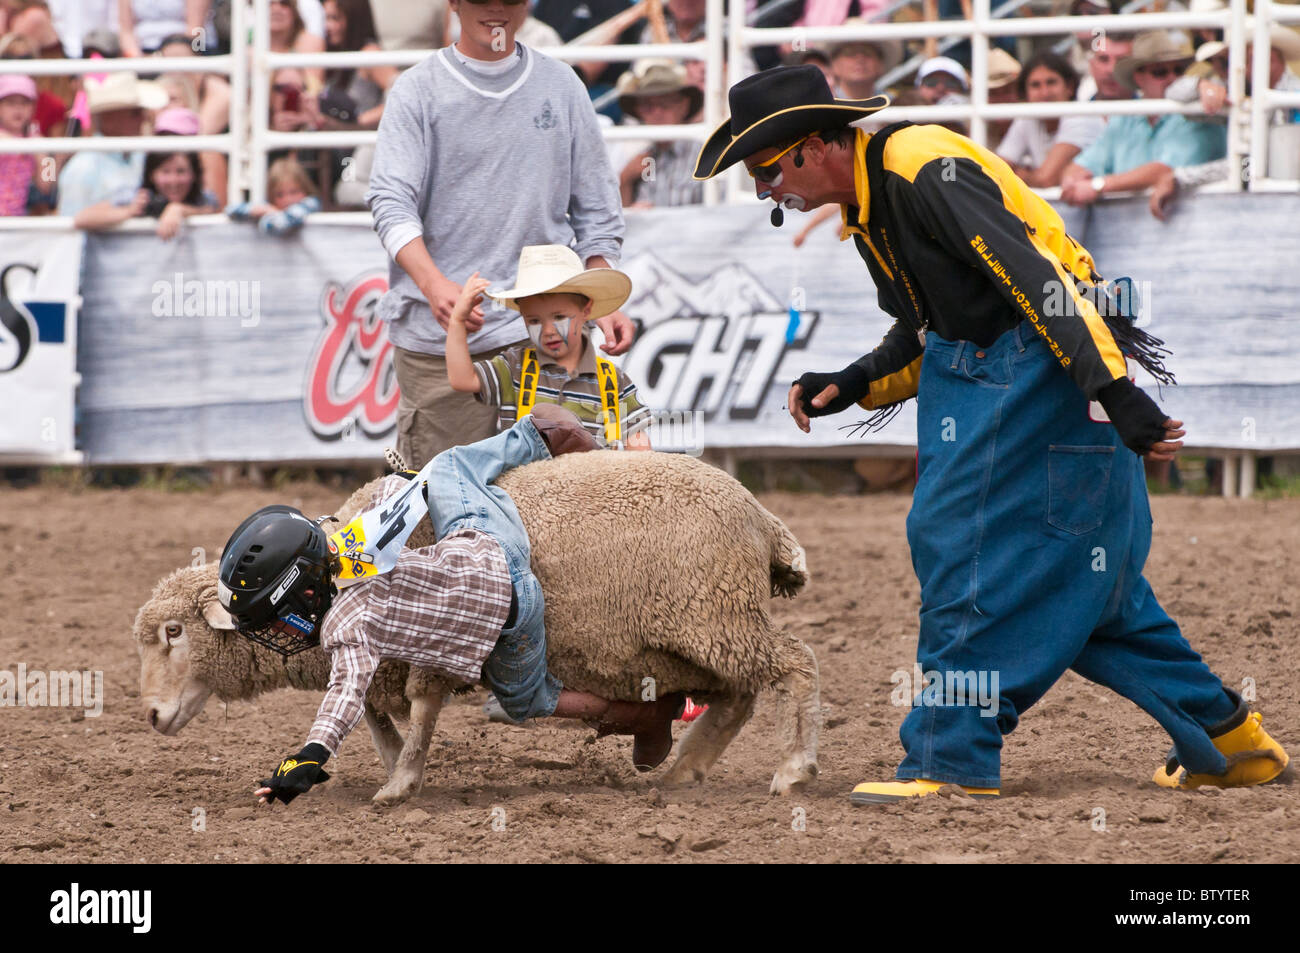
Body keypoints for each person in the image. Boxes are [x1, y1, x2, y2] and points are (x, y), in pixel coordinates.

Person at [692, 65, 1290, 803]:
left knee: (957, 544)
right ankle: (1230, 742)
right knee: (1094, 591)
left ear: (813, 147)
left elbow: (1035, 279)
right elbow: (936, 324)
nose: (763, 191)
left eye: (763, 169)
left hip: (1042, 373)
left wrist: (1115, 390)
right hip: (1037, 372)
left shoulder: (922, 170)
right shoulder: (879, 199)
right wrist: (854, 381)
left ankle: (951, 753)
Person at [221, 408, 686, 806]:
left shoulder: (347, 623)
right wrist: (402, 481)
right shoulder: (348, 543)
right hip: (494, 545)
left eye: (277, 622)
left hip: (511, 617)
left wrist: (312, 756)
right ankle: (536, 438)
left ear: (303, 595)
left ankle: (644, 715)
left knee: (528, 700)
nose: (278, 633)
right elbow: (390, 500)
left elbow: (345, 694)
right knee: (447, 467)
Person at [366, 0, 633, 471]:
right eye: (481, 0)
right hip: (444, 342)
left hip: (545, 333)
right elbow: (390, 201)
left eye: (508, 0)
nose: (497, 11)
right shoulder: (417, 91)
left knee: (565, 510)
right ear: (455, 3)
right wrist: (433, 285)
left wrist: (602, 286)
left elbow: (597, 207)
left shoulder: (562, 84)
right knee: (439, 507)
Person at [447, 245, 652, 449]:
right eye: (534, 320)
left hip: (594, 479)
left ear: (586, 310)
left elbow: (638, 444)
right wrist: (456, 321)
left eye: (559, 317)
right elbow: (462, 379)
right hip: (528, 480)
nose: (548, 331)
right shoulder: (514, 368)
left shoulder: (613, 380)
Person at [1061, 32, 1226, 206]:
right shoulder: (1125, 117)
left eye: (1178, 70)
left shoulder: (1198, 113)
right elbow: (1085, 163)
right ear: (1138, 77)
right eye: (1160, 72)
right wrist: (1072, 179)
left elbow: (1163, 170)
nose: (1172, 78)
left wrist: (1097, 185)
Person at [73, 113, 218, 238]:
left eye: (181, 171)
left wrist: (179, 210)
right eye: (165, 172)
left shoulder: (202, 198)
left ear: (194, 174)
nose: (173, 181)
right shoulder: (138, 197)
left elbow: (212, 208)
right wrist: (129, 212)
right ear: (151, 175)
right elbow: (82, 218)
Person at [56, 71, 168, 216]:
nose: (143, 119)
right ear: (109, 118)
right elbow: (72, 225)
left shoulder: (139, 156)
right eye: (135, 113)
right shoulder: (83, 167)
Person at [997, 51, 1105, 188]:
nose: (1044, 93)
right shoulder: (1027, 118)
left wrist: (1017, 172)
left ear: (1070, 87)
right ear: (1026, 93)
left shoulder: (1081, 116)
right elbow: (996, 169)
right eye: (1035, 85)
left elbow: (1045, 179)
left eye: (1051, 82)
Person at [614, 58, 704, 208]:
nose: (657, 112)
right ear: (639, 112)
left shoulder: (703, 154)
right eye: (647, 106)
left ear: (684, 105)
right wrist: (625, 180)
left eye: (665, 103)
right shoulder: (643, 161)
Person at [226, 156, 320, 234]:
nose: (288, 199)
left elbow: (277, 224)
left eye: (294, 192)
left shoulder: (310, 203)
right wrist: (253, 210)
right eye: (280, 195)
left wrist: (271, 213)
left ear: (305, 188)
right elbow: (230, 210)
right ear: (271, 195)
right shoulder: (271, 206)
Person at [0, 73, 51, 215]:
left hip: (18, 218)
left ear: (33, 108)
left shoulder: (37, 140)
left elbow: (47, 185)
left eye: (24, 103)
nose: (18, 109)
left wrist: (45, 159)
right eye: (10, 103)